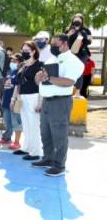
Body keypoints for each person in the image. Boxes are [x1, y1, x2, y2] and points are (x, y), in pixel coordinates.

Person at [33, 33, 84, 176]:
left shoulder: (74, 61)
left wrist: (50, 78)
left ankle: (59, 166)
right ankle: (48, 158)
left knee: (59, 135)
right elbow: (40, 80)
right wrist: (38, 77)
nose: (53, 47)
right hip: (47, 102)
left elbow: (69, 81)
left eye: (55, 44)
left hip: (60, 102)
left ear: (65, 43)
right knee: (46, 133)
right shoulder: (51, 59)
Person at [10, 41, 43, 160]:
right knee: (26, 124)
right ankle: (27, 147)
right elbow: (17, 84)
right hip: (23, 97)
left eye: (27, 51)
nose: (24, 53)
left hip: (34, 96)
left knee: (34, 125)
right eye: (23, 50)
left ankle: (35, 152)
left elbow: (42, 85)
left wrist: (40, 102)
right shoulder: (23, 66)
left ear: (34, 51)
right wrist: (13, 98)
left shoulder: (40, 65)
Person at [0, 53, 24, 150]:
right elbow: (7, 85)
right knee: (7, 121)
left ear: (20, 62)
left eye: (14, 60)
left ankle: (17, 142)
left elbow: (18, 86)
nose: (12, 62)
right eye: (11, 60)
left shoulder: (21, 72)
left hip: (15, 101)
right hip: (6, 100)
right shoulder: (12, 72)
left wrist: (14, 99)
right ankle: (6, 138)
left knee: (16, 122)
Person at [66, 13, 91, 96]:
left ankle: (77, 93)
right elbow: (62, 40)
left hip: (82, 54)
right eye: (75, 20)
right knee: (68, 72)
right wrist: (68, 34)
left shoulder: (86, 30)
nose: (77, 21)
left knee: (78, 71)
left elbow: (90, 41)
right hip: (70, 54)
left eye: (79, 20)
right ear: (72, 21)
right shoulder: (68, 29)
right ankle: (68, 91)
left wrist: (82, 35)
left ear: (82, 22)